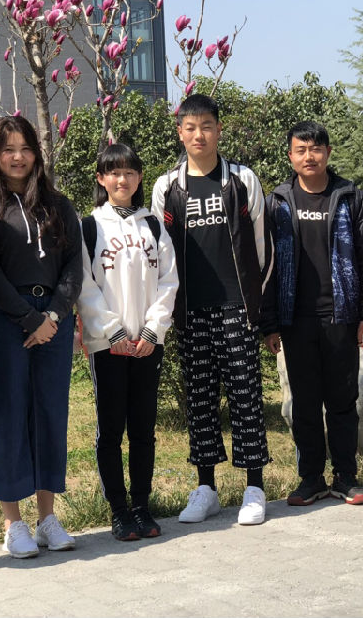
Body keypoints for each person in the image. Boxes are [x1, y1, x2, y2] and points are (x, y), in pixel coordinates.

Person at [151, 94, 273, 526]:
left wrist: (254, 303)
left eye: (206, 126)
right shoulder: (167, 186)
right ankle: (206, 488)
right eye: (190, 127)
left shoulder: (242, 179)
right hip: (191, 310)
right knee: (199, 401)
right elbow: (160, 253)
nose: (198, 134)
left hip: (236, 306)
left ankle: (255, 487)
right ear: (180, 133)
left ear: (219, 130)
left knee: (246, 397)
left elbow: (262, 245)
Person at [0, 116, 83, 557]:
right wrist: (28, 319)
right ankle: (12, 523)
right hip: (7, 321)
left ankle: (47, 518)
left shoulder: (58, 205)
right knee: (10, 414)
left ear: (36, 153)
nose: (17, 157)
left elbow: (73, 266)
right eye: (8, 149)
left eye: (25, 148)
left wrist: (52, 315)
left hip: (54, 318)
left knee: (51, 413)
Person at [261, 121, 363, 507]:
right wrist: (270, 323)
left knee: (342, 401)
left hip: (341, 316)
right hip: (296, 320)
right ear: (290, 156)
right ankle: (310, 478)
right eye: (301, 150)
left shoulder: (349, 197)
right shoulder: (278, 201)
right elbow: (266, 266)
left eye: (315, 149)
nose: (308, 156)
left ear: (327, 152)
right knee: (305, 404)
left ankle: (345, 476)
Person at [76, 143, 178, 542]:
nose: (123, 179)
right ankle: (119, 511)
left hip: (147, 344)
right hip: (109, 346)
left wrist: (153, 330)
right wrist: (113, 331)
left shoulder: (152, 225)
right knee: (111, 429)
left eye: (130, 172)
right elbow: (85, 286)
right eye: (114, 172)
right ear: (101, 179)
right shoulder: (90, 226)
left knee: (143, 429)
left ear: (139, 178)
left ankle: (141, 506)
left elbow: (168, 281)